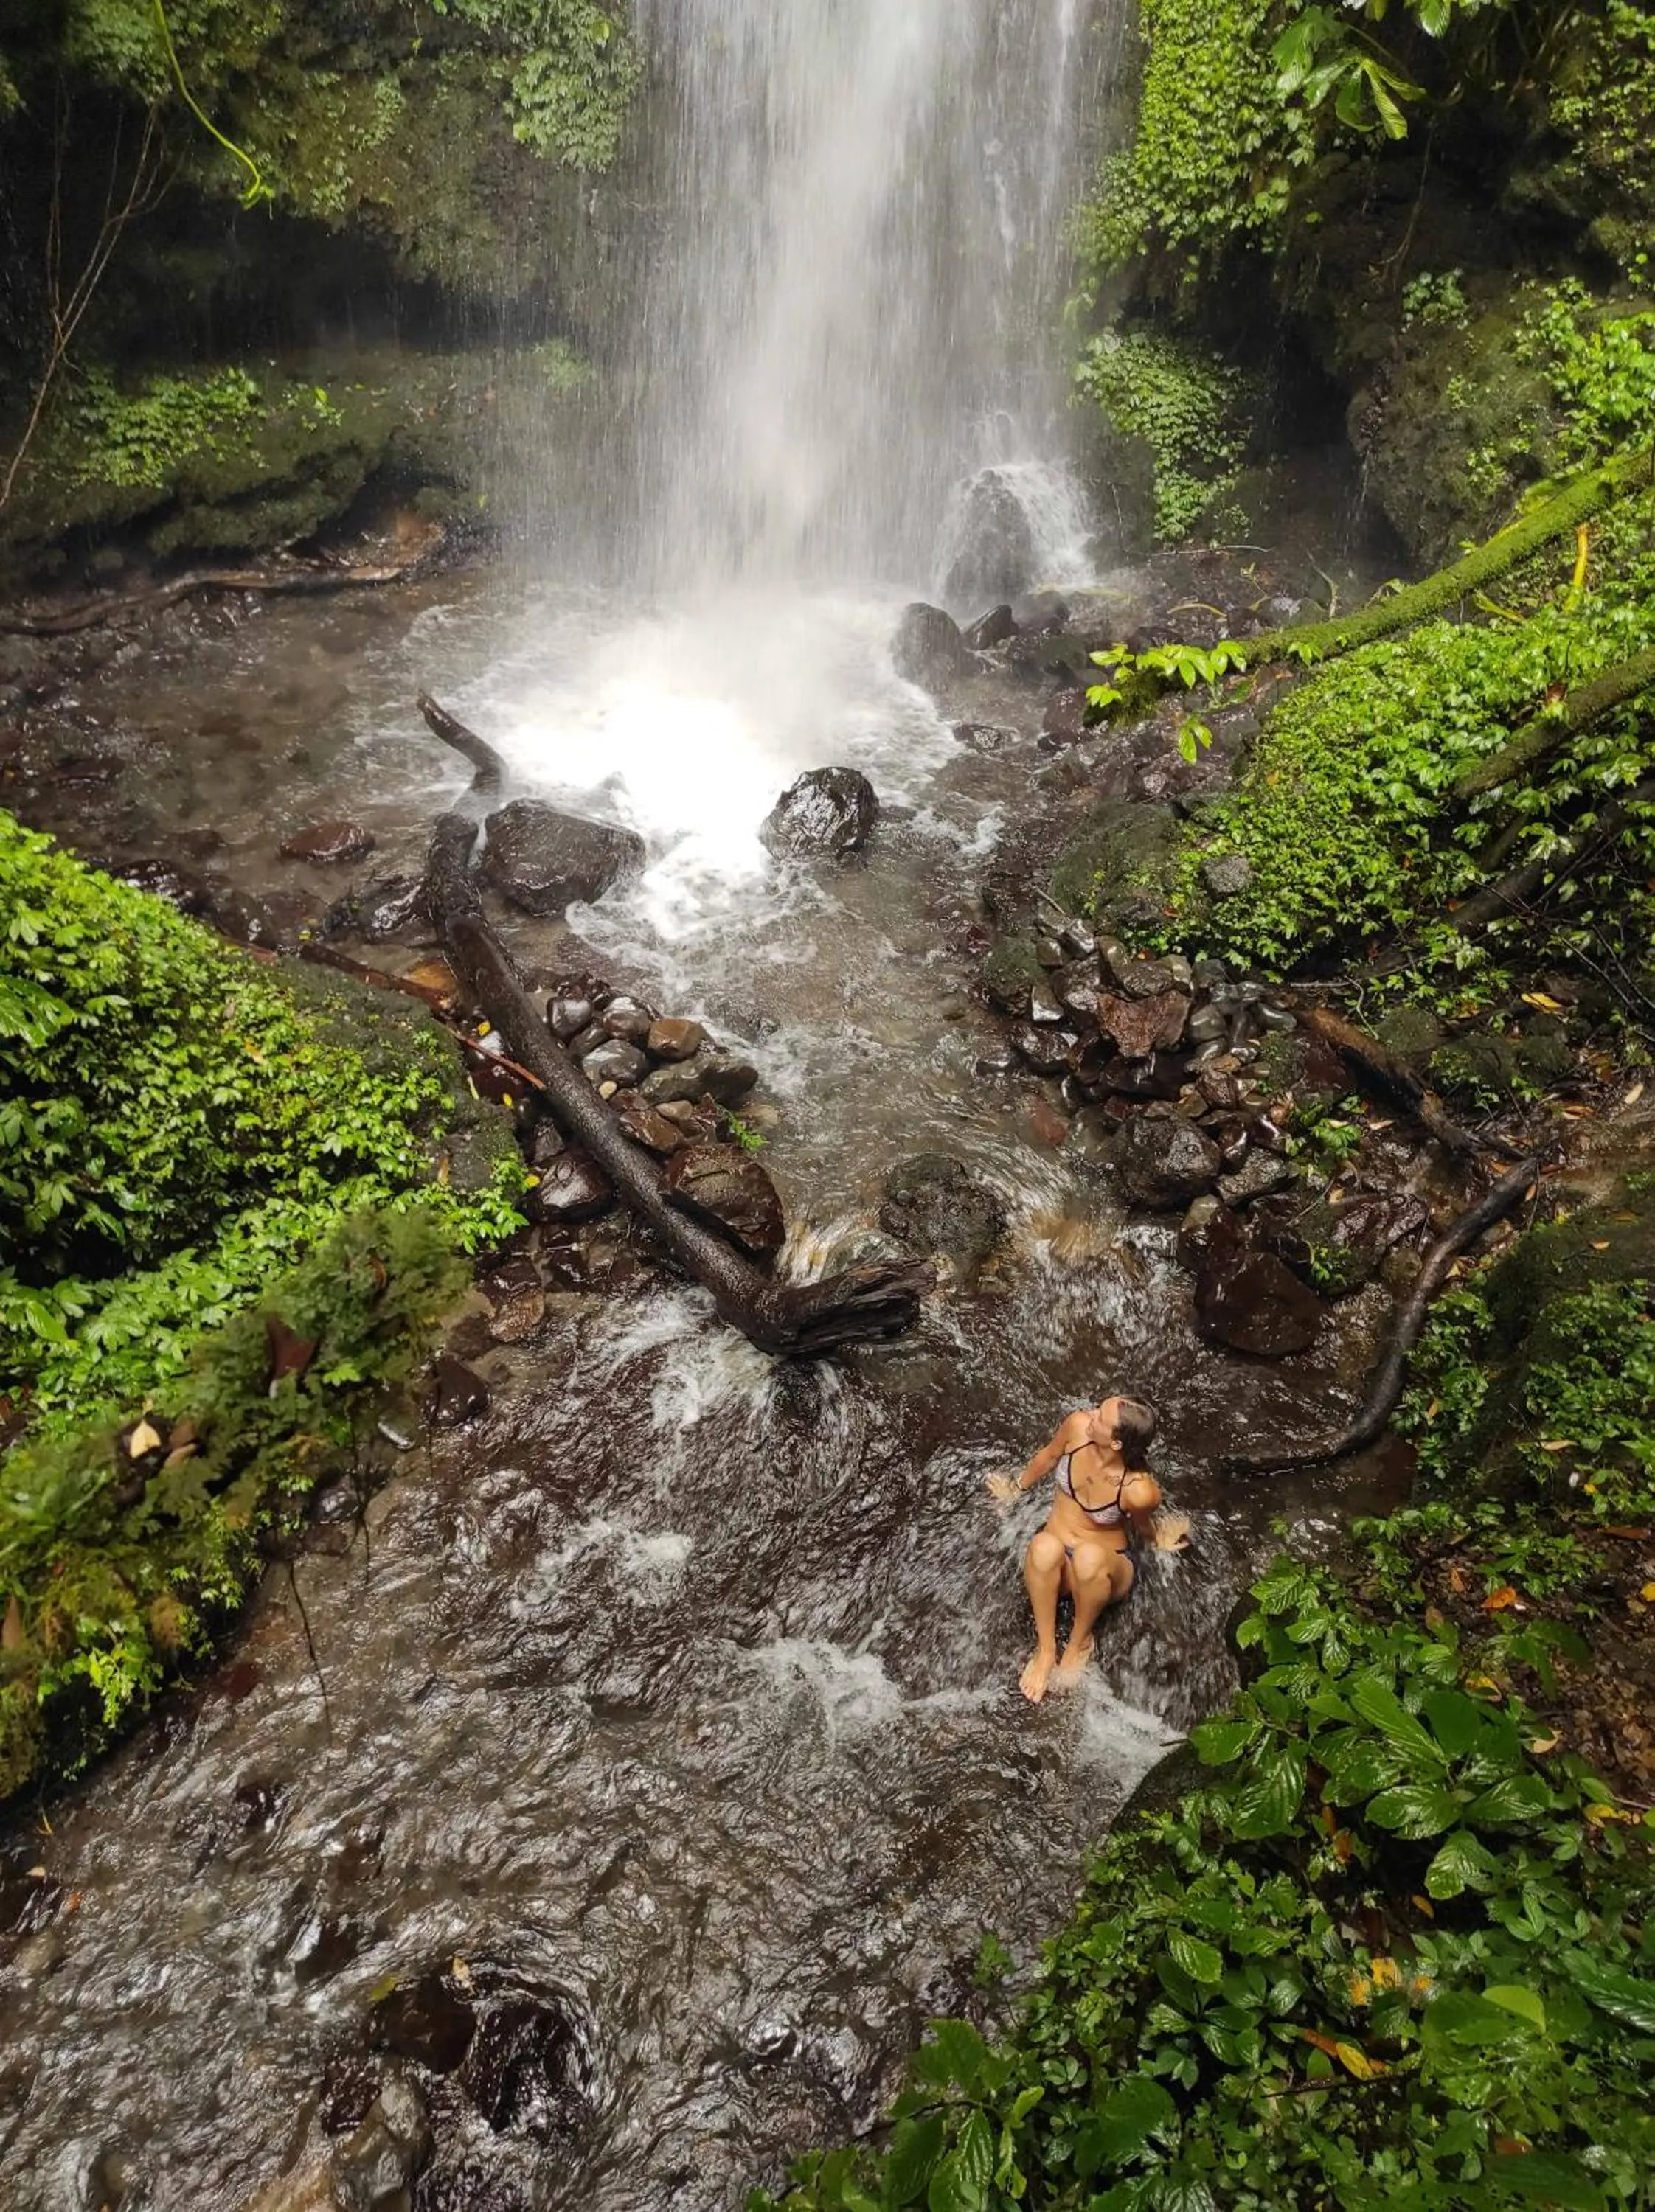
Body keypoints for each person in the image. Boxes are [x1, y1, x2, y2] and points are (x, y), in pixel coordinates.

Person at [986, 1394, 1187, 1703]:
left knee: (1089, 1557)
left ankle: (1078, 1643)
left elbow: (1143, 1526)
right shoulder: (1078, 1428)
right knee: (1042, 1547)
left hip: (1105, 1572)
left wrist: (1159, 1539)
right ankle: (1046, 1650)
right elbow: (1049, 1456)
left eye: (1100, 1417)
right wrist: (1017, 1488)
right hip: (1058, 1567)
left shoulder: (1139, 1489)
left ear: (1117, 1443)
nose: (1090, 1414)